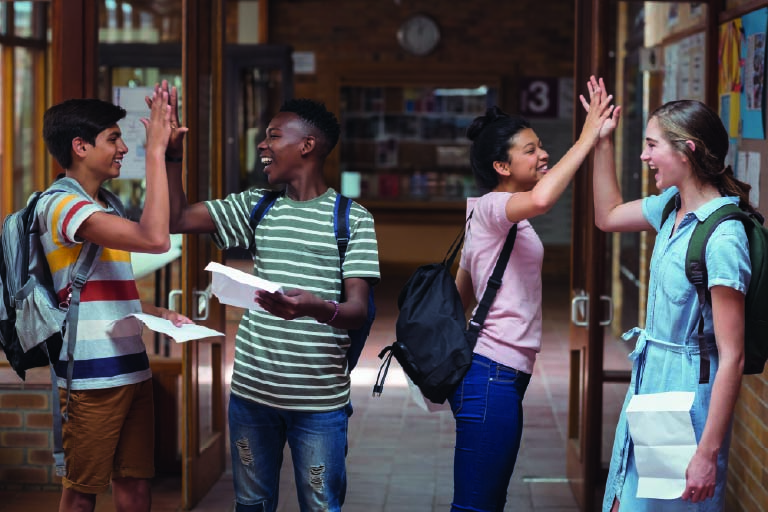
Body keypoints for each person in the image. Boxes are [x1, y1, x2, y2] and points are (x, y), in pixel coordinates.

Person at [163, 91, 380, 511]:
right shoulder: (256, 206)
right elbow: (177, 219)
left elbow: (356, 312)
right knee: (252, 503)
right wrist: (172, 158)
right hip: (251, 395)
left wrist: (315, 307)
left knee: (320, 505)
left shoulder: (352, 219)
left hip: (319, 404)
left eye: (273, 136)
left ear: (307, 145)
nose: (262, 145)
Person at [584, 77, 749, 511]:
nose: (644, 156)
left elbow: (732, 356)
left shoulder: (723, 237)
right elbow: (607, 216)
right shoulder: (671, 207)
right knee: (625, 499)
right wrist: (602, 142)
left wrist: (706, 453)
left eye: (652, 145)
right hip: (650, 380)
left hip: (688, 393)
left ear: (687, 149)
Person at [450, 82, 615, 511]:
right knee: (476, 505)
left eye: (540, 146)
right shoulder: (491, 209)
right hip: (490, 374)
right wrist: (585, 135)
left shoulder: (499, 218)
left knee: (487, 500)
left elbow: (461, 294)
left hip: (499, 374)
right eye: (530, 150)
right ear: (501, 166)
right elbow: (544, 199)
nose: (542, 155)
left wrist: (600, 140)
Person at [39, 87, 192, 512]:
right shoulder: (63, 206)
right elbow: (156, 238)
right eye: (113, 138)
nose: (124, 148)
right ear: (80, 147)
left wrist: (157, 313)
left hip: (131, 367)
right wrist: (157, 152)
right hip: (91, 378)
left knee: (135, 487)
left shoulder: (105, 203)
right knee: (82, 492)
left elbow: (97, 291)